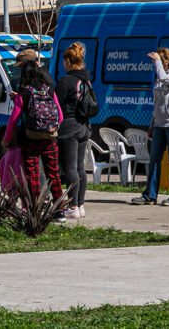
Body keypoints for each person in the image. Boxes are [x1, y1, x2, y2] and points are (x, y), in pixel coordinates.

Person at [3, 60, 64, 209]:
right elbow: (60, 116)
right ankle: (59, 209)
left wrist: (6, 140)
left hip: (29, 139)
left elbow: (13, 120)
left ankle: (34, 209)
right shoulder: (49, 90)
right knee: (54, 174)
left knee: (33, 175)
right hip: (50, 139)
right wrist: (50, 128)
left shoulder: (23, 93)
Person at [131, 48, 169, 206]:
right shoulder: (159, 79)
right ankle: (150, 195)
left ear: (165, 61)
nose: (154, 64)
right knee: (154, 160)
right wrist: (152, 124)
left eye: (157, 61)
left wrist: (157, 61)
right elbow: (157, 104)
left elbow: (165, 78)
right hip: (159, 125)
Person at [55, 42, 93, 218]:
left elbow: (56, 105)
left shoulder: (65, 81)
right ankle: (81, 205)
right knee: (80, 168)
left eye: (64, 61)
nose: (63, 64)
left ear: (68, 62)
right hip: (84, 127)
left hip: (68, 127)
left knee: (70, 168)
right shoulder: (86, 80)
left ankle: (73, 206)